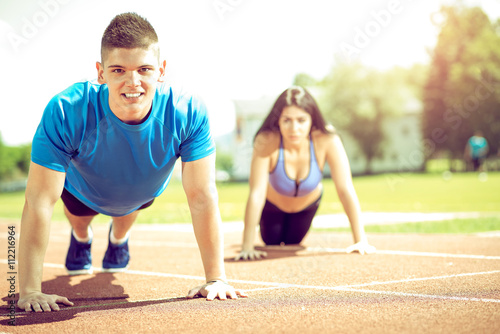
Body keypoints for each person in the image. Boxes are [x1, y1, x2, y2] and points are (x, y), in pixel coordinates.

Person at [18, 12, 246, 313]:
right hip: (83, 191)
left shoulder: (187, 111)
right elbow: (39, 201)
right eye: (118, 70)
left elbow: (202, 196)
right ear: (101, 73)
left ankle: (118, 238)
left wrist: (216, 278)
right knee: (79, 218)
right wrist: (30, 290)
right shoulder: (66, 111)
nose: (133, 81)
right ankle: (82, 238)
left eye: (144, 69)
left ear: (161, 71)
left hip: (141, 189)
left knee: (128, 209)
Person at [235, 86, 375, 261]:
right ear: (278, 120)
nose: (294, 128)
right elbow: (256, 192)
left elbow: (345, 188)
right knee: (272, 241)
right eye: (287, 120)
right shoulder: (266, 140)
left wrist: (360, 240)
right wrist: (246, 246)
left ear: (312, 119)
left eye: (301, 120)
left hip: (306, 206)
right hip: (273, 207)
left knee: (293, 241)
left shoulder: (327, 139)